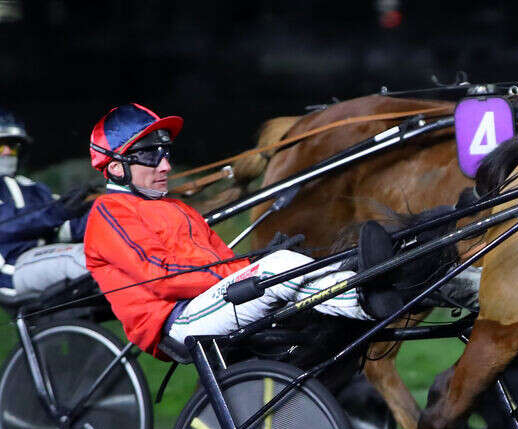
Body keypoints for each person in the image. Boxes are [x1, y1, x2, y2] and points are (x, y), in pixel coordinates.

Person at [83, 103, 387, 357]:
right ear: (115, 167)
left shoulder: (179, 208)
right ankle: (362, 299)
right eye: (151, 155)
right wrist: (241, 277)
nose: (165, 166)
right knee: (277, 270)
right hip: (174, 322)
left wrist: (250, 267)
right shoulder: (109, 212)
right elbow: (162, 279)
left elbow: (225, 260)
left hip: (208, 301)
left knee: (286, 263)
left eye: (165, 153)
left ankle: (362, 278)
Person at [0, 108, 92, 306]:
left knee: (107, 249)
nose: (7, 152)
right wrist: (58, 212)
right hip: (11, 270)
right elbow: (6, 227)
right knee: (83, 259)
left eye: (12, 146)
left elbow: (65, 230)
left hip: (44, 259)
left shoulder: (34, 188)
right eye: (0, 146)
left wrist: (96, 208)